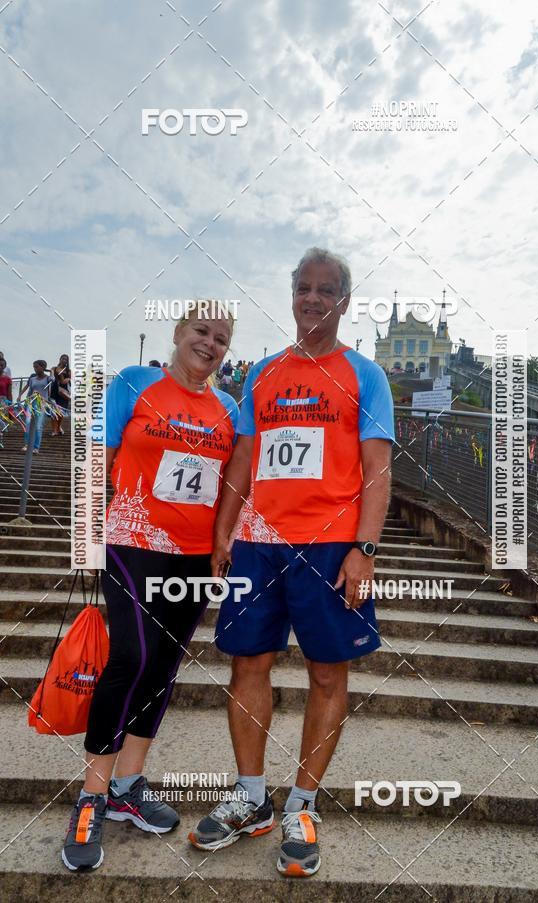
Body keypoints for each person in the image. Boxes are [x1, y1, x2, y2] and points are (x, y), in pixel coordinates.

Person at [189, 248, 394, 878]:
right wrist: (224, 533)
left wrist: (364, 548)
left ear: (344, 301)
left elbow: (378, 468)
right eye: (302, 288)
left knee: (328, 674)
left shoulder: (365, 375)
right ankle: (252, 798)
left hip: (331, 545)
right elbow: (243, 463)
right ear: (292, 296)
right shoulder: (265, 373)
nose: (311, 298)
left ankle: (302, 807)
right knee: (247, 664)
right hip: (258, 542)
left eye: (324, 289)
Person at [61, 301, 238, 872]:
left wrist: (221, 546)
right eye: (201, 331)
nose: (210, 344)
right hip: (131, 543)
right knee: (131, 657)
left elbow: (232, 483)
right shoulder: (132, 384)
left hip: (190, 559)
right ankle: (91, 795)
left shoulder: (229, 408)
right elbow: (97, 457)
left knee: (162, 667)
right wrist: (86, 536)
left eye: (222, 339)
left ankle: (128, 785)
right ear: (178, 331)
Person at [18, 360, 52, 454]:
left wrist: (50, 371)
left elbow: (53, 380)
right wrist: (20, 395)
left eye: (37, 367)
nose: (35, 369)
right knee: (28, 423)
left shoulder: (47, 378)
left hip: (41, 404)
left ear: (43, 367)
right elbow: (28, 387)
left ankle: (36, 447)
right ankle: (27, 444)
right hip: (31, 403)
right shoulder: (33, 378)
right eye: (34, 367)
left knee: (38, 425)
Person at [50, 354, 71, 437]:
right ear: (60, 359)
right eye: (63, 359)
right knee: (54, 411)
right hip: (54, 391)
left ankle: (58, 427)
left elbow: (66, 382)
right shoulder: (54, 368)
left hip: (64, 393)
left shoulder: (69, 371)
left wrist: (67, 378)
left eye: (66, 359)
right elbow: (51, 377)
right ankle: (54, 430)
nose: (64, 360)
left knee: (61, 412)